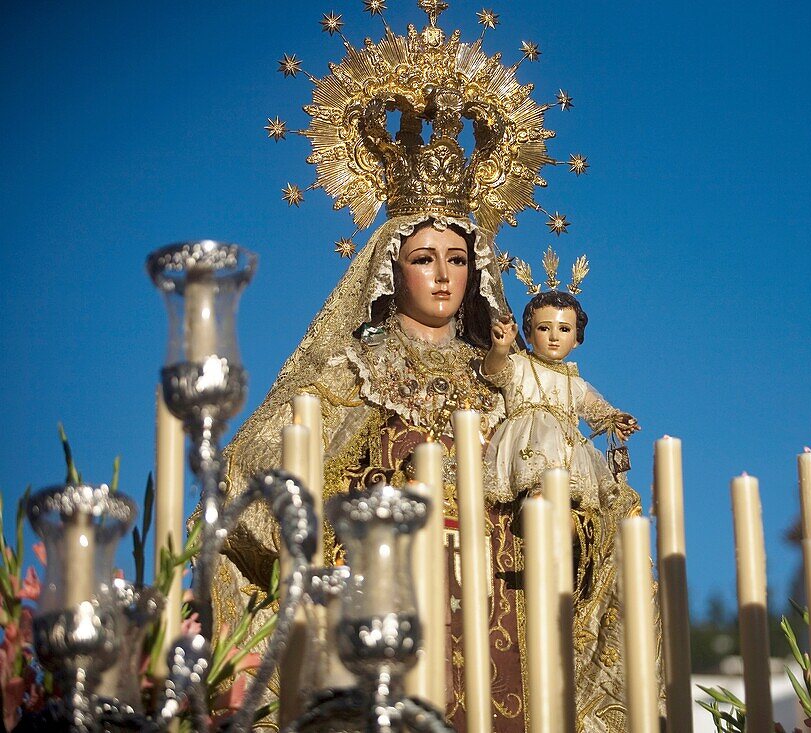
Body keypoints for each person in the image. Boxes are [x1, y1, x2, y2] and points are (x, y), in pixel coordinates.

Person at [207, 6, 658, 731]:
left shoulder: (506, 376)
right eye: (424, 258)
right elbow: (264, 473)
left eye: (458, 259)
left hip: (500, 612)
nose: (444, 276)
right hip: (382, 608)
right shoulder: (351, 370)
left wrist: (580, 514)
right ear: (391, 267)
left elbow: (563, 491)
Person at [482, 287, 639, 510]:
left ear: (576, 339)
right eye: (544, 328)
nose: (554, 337)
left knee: (572, 503)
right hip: (529, 445)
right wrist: (500, 348)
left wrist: (616, 419)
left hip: (569, 450)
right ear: (527, 334)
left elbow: (596, 408)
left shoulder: (574, 381)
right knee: (539, 495)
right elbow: (495, 372)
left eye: (564, 329)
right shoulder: (520, 364)